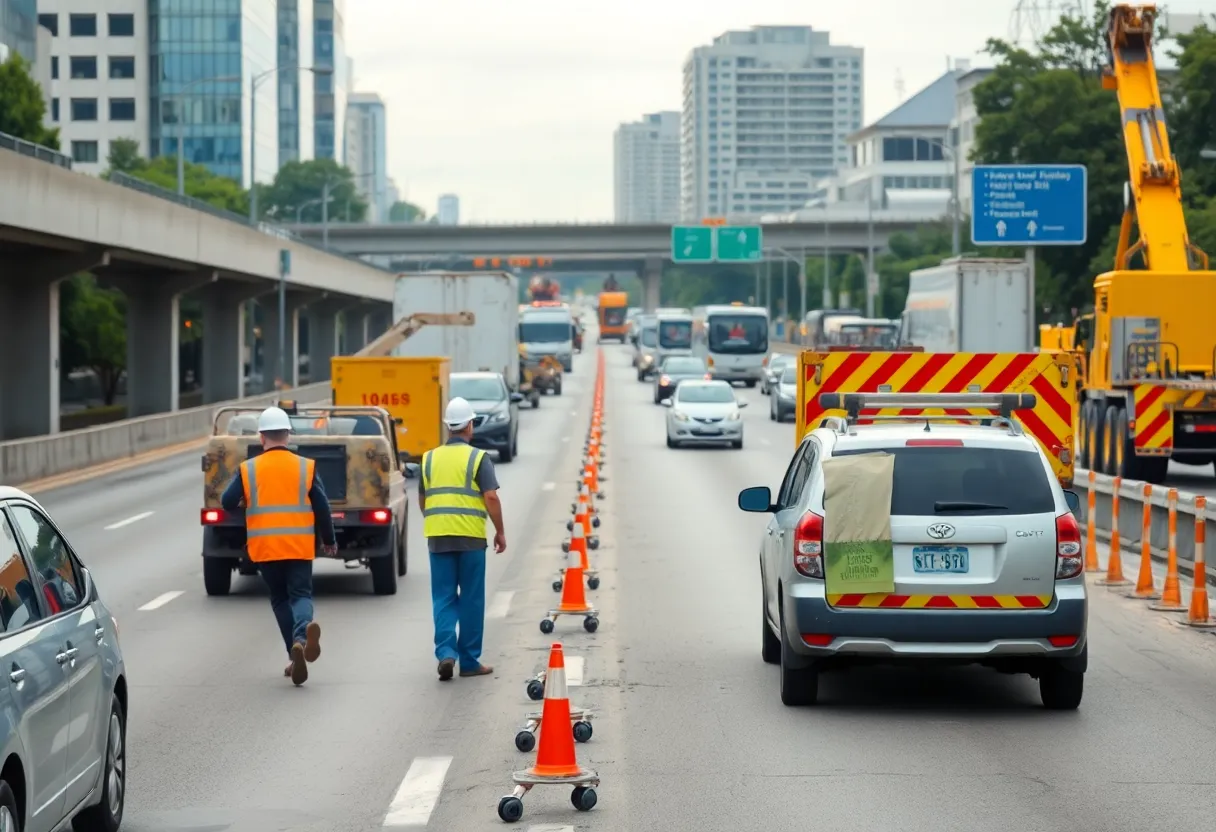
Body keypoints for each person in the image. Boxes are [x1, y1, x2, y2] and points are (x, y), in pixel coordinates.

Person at [221, 406, 338, 686]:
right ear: (288, 434)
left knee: (280, 599)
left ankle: (293, 652)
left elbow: (226, 501)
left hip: (265, 547)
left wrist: (245, 504)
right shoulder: (305, 467)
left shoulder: (248, 469)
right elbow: (322, 507)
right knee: (301, 595)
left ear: (262, 437)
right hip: (298, 544)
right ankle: (301, 637)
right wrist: (329, 540)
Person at [419, 397, 507, 681]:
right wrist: (500, 531)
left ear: (448, 427)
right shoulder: (478, 458)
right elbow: (491, 496)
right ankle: (469, 661)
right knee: (470, 599)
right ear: (470, 425)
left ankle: (446, 653)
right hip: (470, 538)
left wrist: (437, 521)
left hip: (438, 538)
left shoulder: (429, 458)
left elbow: (423, 498)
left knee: (443, 598)